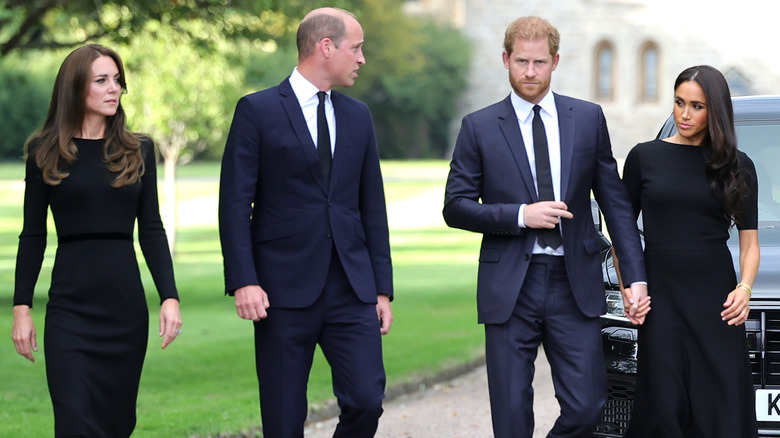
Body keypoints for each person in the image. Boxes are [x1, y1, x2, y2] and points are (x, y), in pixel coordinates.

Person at [443, 16, 648, 438]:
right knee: (511, 416)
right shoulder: (478, 127)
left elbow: (617, 206)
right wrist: (520, 215)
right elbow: (455, 207)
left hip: (574, 283)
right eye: (521, 61)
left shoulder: (587, 119)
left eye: (539, 62)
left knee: (587, 407)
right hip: (509, 286)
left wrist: (636, 277)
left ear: (556, 61)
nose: (530, 72)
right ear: (505, 59)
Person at [218, 7, 393, 437]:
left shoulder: (359, 116)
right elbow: (234, 204)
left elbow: (372, 206)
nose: (362, 58)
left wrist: (382, 288)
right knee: (282, 420)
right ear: (326, 47)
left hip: (351, 288)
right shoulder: (256, 111)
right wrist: (244, 280)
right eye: (357, 48)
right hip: (280, 290)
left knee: (367, 402)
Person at [10, 44, 182, 437]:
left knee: (116, 423)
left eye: (117, 80)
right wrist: (22, 307)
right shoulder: (44, 152)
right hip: (69, 309)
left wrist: (169, 296)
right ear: (75, 88)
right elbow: (33, 235)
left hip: (124, 309)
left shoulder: (139, 150)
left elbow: (151, 229)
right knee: (73, 421)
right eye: (102, 80)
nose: (114, 88)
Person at [623, 65, 759, 437]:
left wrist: (744, 289)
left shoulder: (738, 166)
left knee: (720, 404)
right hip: (662, 299)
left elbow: (749, 242)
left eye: (697, 106)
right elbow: (624, 233)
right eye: (679, 102)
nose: (684, 114)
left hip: (717, 301)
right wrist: (630, 286)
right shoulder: (643, 158)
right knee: (664, 407)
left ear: (715, 111)